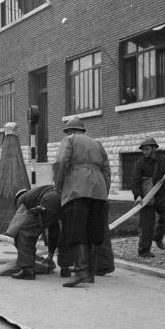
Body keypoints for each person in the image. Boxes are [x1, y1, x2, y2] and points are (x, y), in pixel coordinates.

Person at [53, 118, 111, 287]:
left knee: (77, 229)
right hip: (98, 189)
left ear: (69, 130)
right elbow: (107, 170)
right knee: (93, 230)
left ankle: (80, 271)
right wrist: (104, 190)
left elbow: (61, 162)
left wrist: (58, 185)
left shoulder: (69, 140)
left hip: (77, 188)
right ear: (82, 130)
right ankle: (90, 273)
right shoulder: (97, 143)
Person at [130, 137, 165, 258]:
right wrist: (138, 196)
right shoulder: (139, 163)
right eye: (143, 150)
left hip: (161, 196)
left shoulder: (164, 161)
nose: (144, 152)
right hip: (146, 198)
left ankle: (157, 236)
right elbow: (135, 181)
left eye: (146, 149)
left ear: (154, 148)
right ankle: (143, 251)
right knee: (147, 225)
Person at [7, 185, 62, 280]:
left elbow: (15, 231)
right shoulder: (37, 194)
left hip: (50, 200)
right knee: (66, 233)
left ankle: (27, 270)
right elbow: (54, 232)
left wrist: (24, 256)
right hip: (65, 196)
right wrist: (49, 256)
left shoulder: (22, 200)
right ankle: (66, 269)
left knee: (25, 232)